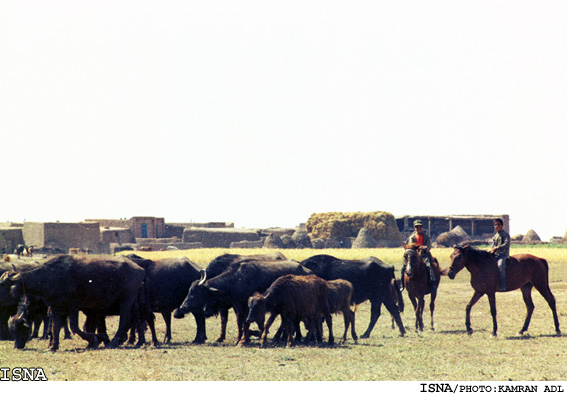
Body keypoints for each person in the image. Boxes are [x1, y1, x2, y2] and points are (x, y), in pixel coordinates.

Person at [401, 220, 436, 292]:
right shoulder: (412, 237)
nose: (419, 228)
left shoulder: (426, 237)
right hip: (414, 254)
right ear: (415, 228)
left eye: (420, 227)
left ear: (422, 228)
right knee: (403, 267)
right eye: (417, 227)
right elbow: (410, 245)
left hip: (424, 254)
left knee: (429, 266)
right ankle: (402, 284)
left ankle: (432, 283)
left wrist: (423, 248)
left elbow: (428, 246)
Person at [490, 218, 510, 292]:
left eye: (498, 225)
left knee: (500, 266)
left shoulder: (505, 234)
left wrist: (497, 248)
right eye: (495, 225)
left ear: (502, 225)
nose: (496, 226)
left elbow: (506, 244)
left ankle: (503, 285)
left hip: (503, 255)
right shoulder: (495, 236)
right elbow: (493, 246)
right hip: (495, 255)